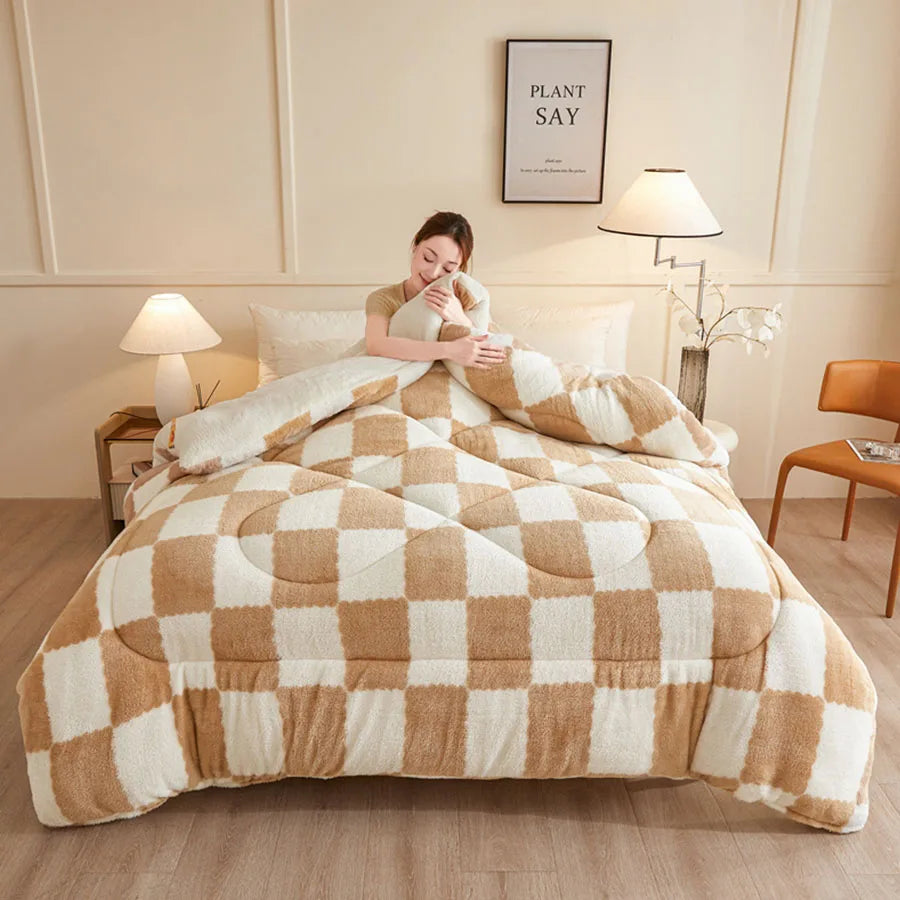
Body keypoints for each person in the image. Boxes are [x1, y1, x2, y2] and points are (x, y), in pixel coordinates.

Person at [364, 211, 506, 369]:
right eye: (428, 258)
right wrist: (448, 350)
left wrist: (459, 318)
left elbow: (484, 342)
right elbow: (376, 345)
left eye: (447, 268)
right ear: (415, 247)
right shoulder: (384, 298)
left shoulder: (466, 299)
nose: (433, 273)